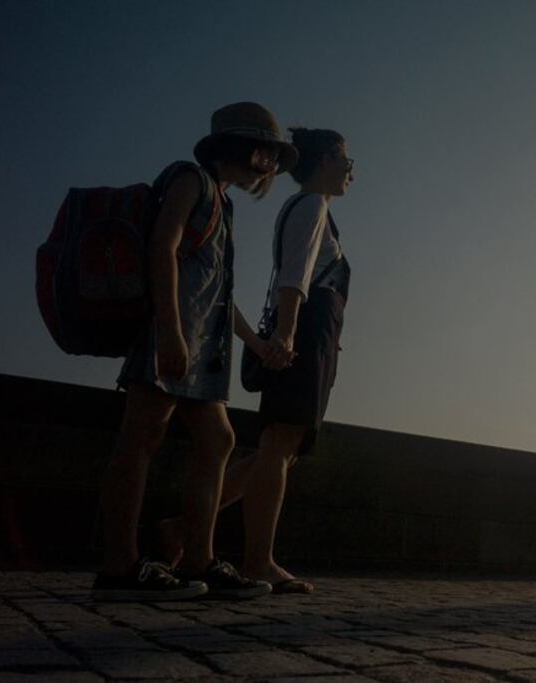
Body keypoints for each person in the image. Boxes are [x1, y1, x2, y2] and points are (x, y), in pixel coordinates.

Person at [93, 102, 299, 602]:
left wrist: (253, 342)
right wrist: (168, 330)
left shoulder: (223, 204)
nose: (271, 164)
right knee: (142, 436)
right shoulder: (191, 180)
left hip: (201, 352)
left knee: (218, 440)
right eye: (269, 152)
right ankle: (118, 565)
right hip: (172, 337)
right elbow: (160, 247)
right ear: (248, 147)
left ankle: (199, 560)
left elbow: (217, 294)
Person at [160, 127, 353, 594]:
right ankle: (258, 560)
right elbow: (295, 277)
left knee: (278, 450)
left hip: (307, 333)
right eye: (346, 160)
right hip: (306, 333)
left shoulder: (304, 208)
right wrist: (287, 333)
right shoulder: (312, 205)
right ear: (325, 160)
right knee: (279, 446)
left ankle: (181, 531)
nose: (351, 171)